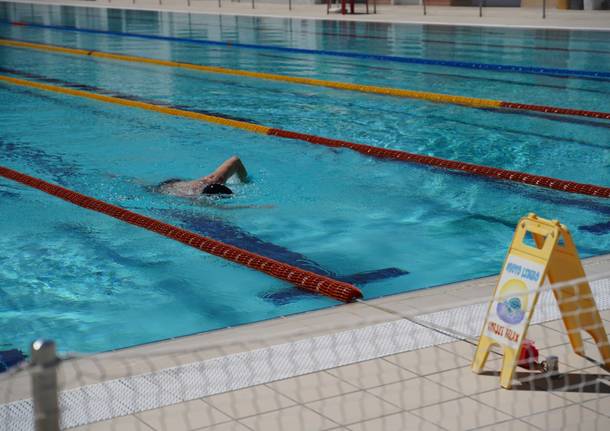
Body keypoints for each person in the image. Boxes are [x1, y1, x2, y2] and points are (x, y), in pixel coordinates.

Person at [155, 156, 248, 198]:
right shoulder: (191, 197)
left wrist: (244, 182)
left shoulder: (217, 178)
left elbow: (235, 160)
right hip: (166, 187)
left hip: (187, 184)